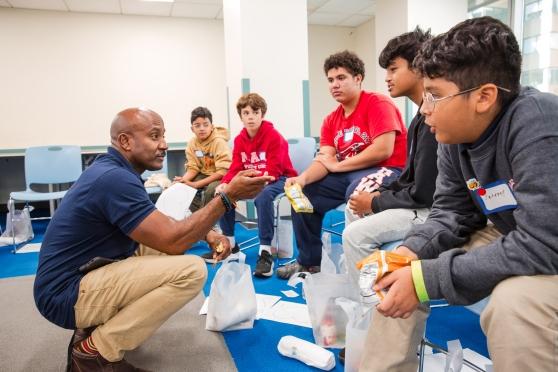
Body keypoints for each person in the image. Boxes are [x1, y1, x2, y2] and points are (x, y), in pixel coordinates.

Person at [360, 17, 558, 372]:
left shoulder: (539, 124)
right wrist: (410, 253)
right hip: (514, 232)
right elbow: (450, 211)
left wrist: (426, 279)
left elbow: (543, 243)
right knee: (399, 270)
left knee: (515, 306)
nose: (424, 108)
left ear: (484, 96)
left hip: (546, 242)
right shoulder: (454, 133)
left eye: (434, 94)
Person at [33, 108, 273, 371]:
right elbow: (173, 240)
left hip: (77, 275)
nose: (164, 144)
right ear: (125, 141)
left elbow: (159, 222)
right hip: (65, 295)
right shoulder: (115, 179)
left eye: (164, 136)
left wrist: (209, 234)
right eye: (154, 136)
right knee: (190, 270)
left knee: (158, 248)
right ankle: (95, 352)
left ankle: (94, 329)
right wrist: (227, 198)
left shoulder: (114, 171)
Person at [277, 50, 408, 279]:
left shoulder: (378, 103)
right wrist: (302, 179)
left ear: (358, 78)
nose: (334, 85)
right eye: (330, 80)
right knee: (303, 195)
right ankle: (309, 263)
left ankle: (364, 270)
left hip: (389, 169)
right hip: (349, 172)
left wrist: (337, 166)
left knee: (357, 192)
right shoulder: (330, 120)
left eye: (341, 78)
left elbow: (382, 150)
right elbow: (324, 159)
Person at [342, 27, 438, 285]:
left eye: (393, 69)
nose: (387, 77)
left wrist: (376, 202)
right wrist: (377, 196)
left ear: (418, 67)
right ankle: (366, 280)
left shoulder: (435, 118)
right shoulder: (420, 116)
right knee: (354, 206)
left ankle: (372, 307)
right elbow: (409, 177)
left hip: (431, 210)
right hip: (419, 201)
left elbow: (424, 194)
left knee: (354, 235)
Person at [216, 93, 297, 278]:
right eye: (246, 113)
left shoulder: (275, 137)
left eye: (255, 112)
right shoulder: (238, 140)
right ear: (241, 116)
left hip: (279, 178)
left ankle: (265, 252)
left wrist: (249, 181)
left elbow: (274, 170)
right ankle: (231, 246)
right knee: (224, 194)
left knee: (263, 197)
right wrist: (226, 183)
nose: (250, 116)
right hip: (252, 180)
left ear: (262, 114)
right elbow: (236, 167)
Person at [174, 106, 231, 213]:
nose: (202, 128)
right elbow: (193, 167)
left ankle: (207, 221)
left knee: (211, 190)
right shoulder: (192, 143)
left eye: (205, 125)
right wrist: (183, 180)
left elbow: (223, 171)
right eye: (197, 125)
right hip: (204, 174)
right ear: (192, 129)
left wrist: (197, 184)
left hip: (221, 176)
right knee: (184, 187)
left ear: (212, 126)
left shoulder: (219, 142)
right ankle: (197, 217)